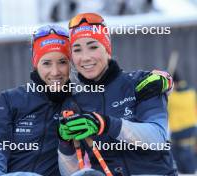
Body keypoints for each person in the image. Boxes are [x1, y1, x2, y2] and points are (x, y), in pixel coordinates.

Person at [58, 13, 177, 176]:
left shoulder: (141, 83)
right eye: (77, 50)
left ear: (107, 50)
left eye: (93, 47)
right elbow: (70, 173)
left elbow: (158, 138)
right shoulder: (73, 104)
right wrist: (65, 145)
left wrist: (105, 124)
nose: (85, 57)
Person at [0, 25, 71, 176]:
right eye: (47, 63)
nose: (55, 71)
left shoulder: (79, 103)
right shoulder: (10, 100)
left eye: (62, 62)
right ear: (36, 64)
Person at [168, 72, 197, 173]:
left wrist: (165, 91)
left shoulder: (172, 97)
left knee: (183, 162)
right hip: (191, 129)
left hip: (180, 131)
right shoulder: (192, 93)